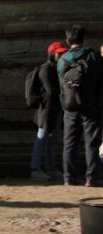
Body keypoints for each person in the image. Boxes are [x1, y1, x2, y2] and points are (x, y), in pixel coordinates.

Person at [57, 25, 103, 187]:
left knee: (69, 142)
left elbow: (60, 84)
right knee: (91, 142)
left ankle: (69, 177)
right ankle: (92, 178)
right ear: (84, 39)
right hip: (90, 104)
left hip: (69, 105)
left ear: (68, 40)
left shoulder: (62, 60)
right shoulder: (92, 56)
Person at [29, 42, 67, 182]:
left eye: (63, 53)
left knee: (52, 141)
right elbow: (51, 91)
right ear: (52, 53)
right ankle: (35, 169)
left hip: (56, 109)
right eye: (59, 53)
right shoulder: (45, 70)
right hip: (46, 111)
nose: (61, 55)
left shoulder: (57, 69)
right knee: (41, 139)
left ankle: (50, 168)